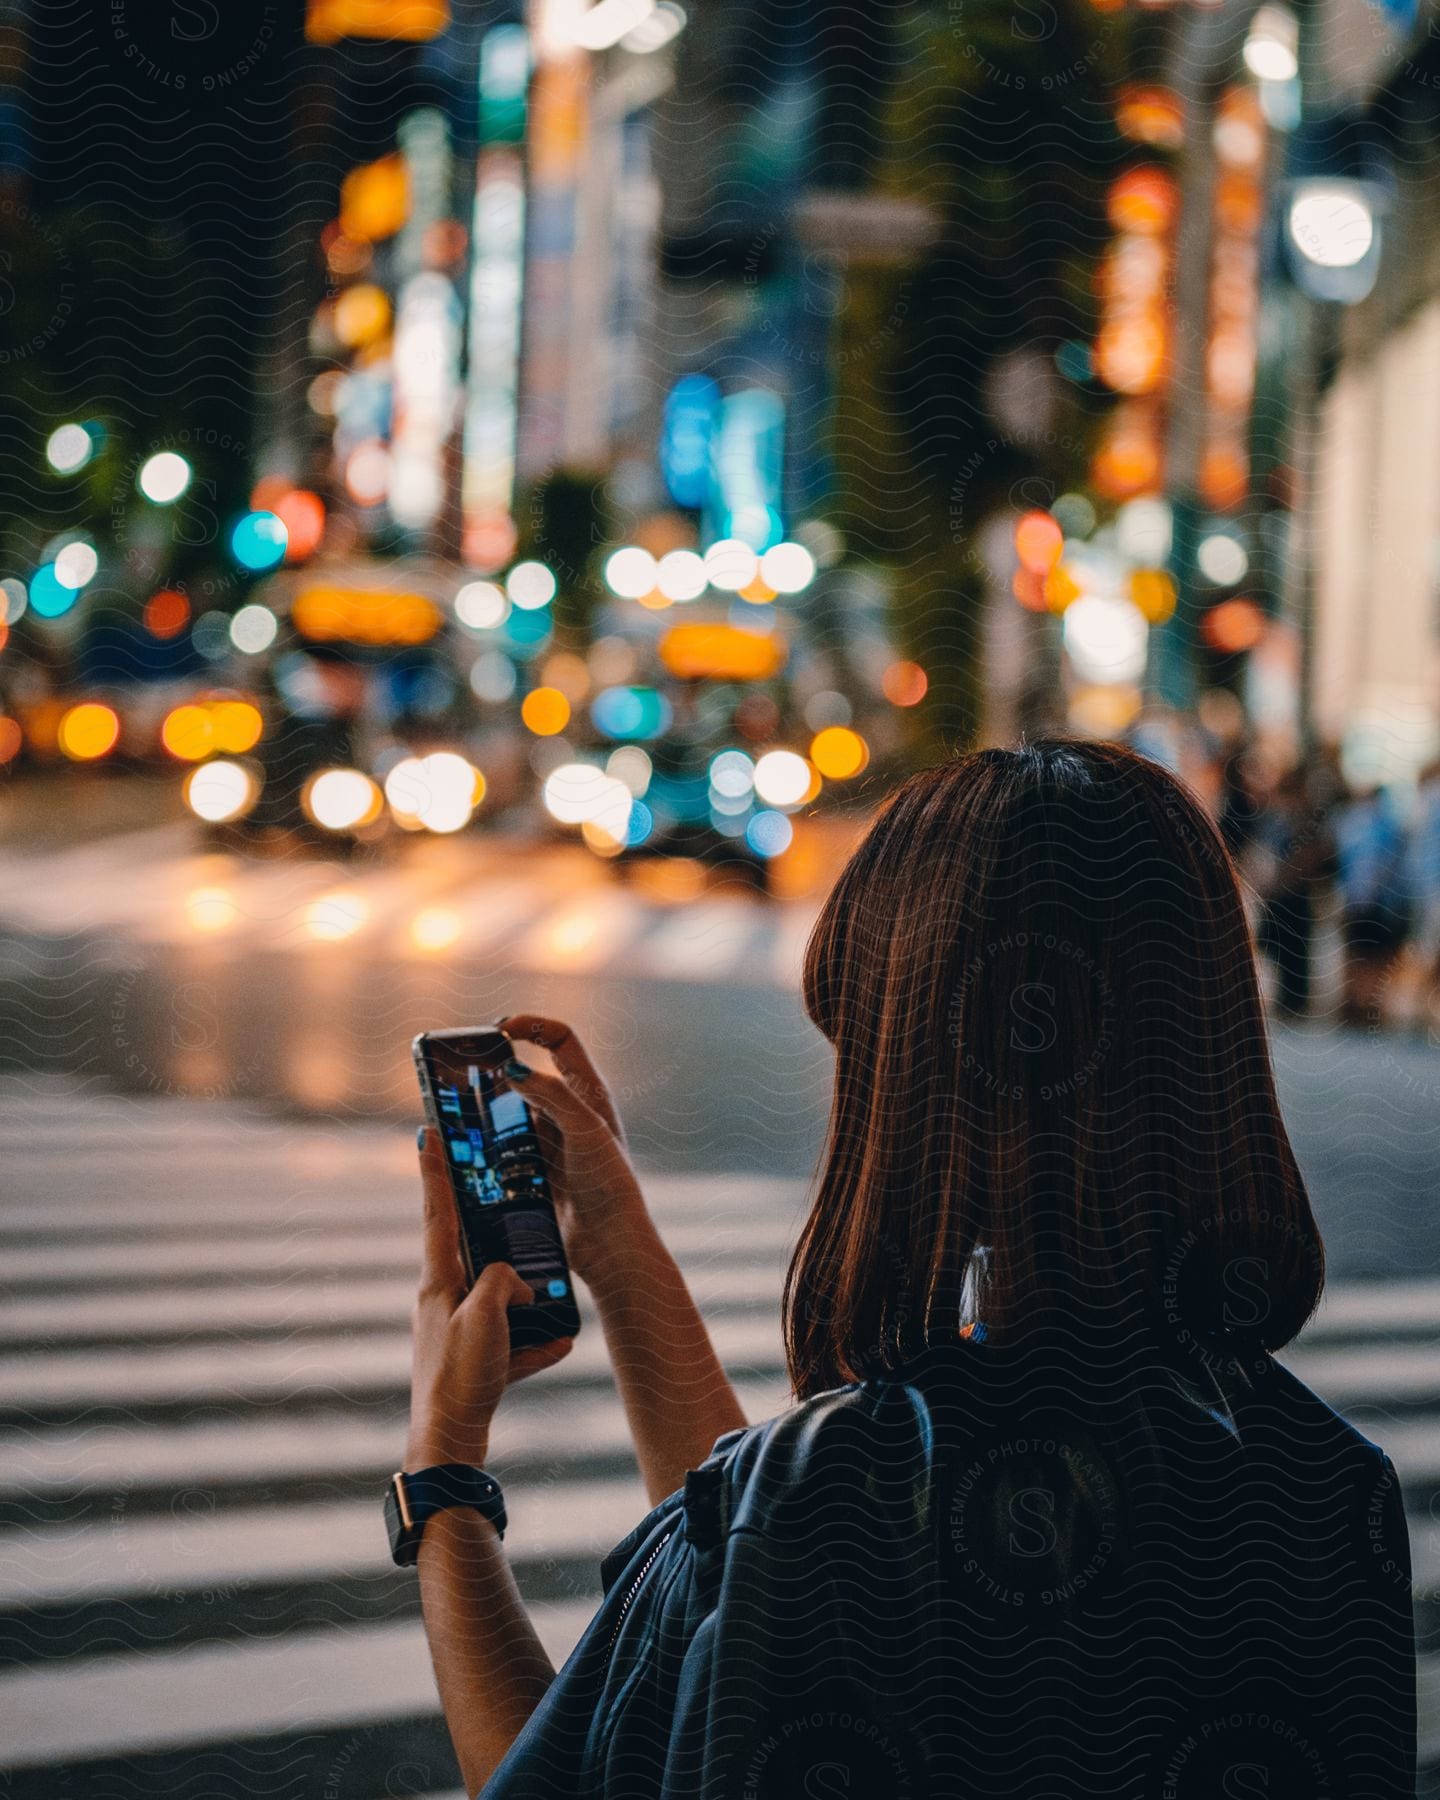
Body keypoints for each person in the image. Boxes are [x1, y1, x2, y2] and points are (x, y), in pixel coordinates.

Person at [400, 740, 1416, 1799]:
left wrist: (444, 1478)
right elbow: (740, 1567)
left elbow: (548, 1768)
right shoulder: (1328, 1487)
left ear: (913, 1076)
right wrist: (621, 1255)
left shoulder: (820, 1497)